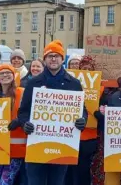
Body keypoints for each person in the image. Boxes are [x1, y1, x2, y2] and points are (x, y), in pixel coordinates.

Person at [18, 40, 88, 185]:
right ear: (45, 60)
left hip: (61, 146)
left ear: (63, 59)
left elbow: (83, 110)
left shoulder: (73, 83)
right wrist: (25, 124)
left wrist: (82, 121)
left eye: (57, 56)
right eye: (50, 56)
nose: (53, 59)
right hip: (37, 144)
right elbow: (23, 111)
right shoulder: (33, 83)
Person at [0, 64, 27, 185]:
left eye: (8, 73)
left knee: (5, 182)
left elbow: (29, 113)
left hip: (16, 148)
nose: (5, 75)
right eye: (1, 73)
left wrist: (20, 120)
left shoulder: (22, 93)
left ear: (13, 76)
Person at [65, 55, 100, 185]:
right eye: (83, 68)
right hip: (71, 134)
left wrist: (99, 113)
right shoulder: (70, 85)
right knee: (69, 170)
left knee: (83, 171)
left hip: (89, 137)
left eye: (89, 69)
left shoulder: (100, 88)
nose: (86, 71)